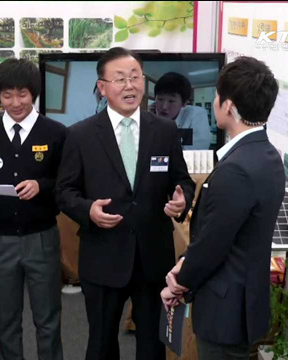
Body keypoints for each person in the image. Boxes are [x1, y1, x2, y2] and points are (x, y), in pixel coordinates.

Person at [56, 47, 195, 360]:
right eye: (120, 79)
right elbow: (64, 192)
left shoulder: (164, 130)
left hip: (152, 256)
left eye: (135, 78)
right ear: (102, 87)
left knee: (152, 345)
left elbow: (182, 180)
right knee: (102, 343)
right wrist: (88, 211)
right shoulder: (80, 135)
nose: (130, 86)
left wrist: (182, 198)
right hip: (103, 255)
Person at [161, 56, 284, 360]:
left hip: (224, 311)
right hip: (245, 302)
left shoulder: (236, 169)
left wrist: (179, 282)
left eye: (217, 96)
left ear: (227, 105)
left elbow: (213, 245)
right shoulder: (268, 155)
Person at [0, 58, 67, 360]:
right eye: (7, 95)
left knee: (47, 318)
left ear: (33, 93)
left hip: (43, 237)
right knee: (7, 319)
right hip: (0, 240)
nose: (15, 102)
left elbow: (66, 182)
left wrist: (42, 186)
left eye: (22, 94)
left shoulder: (56, 133)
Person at [153, 72, 212, 150]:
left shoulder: (196, 115)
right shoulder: (148, 116)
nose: (164, 107)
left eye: (171, 101)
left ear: (184, 103)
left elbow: (193, 155)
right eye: (160, 99)